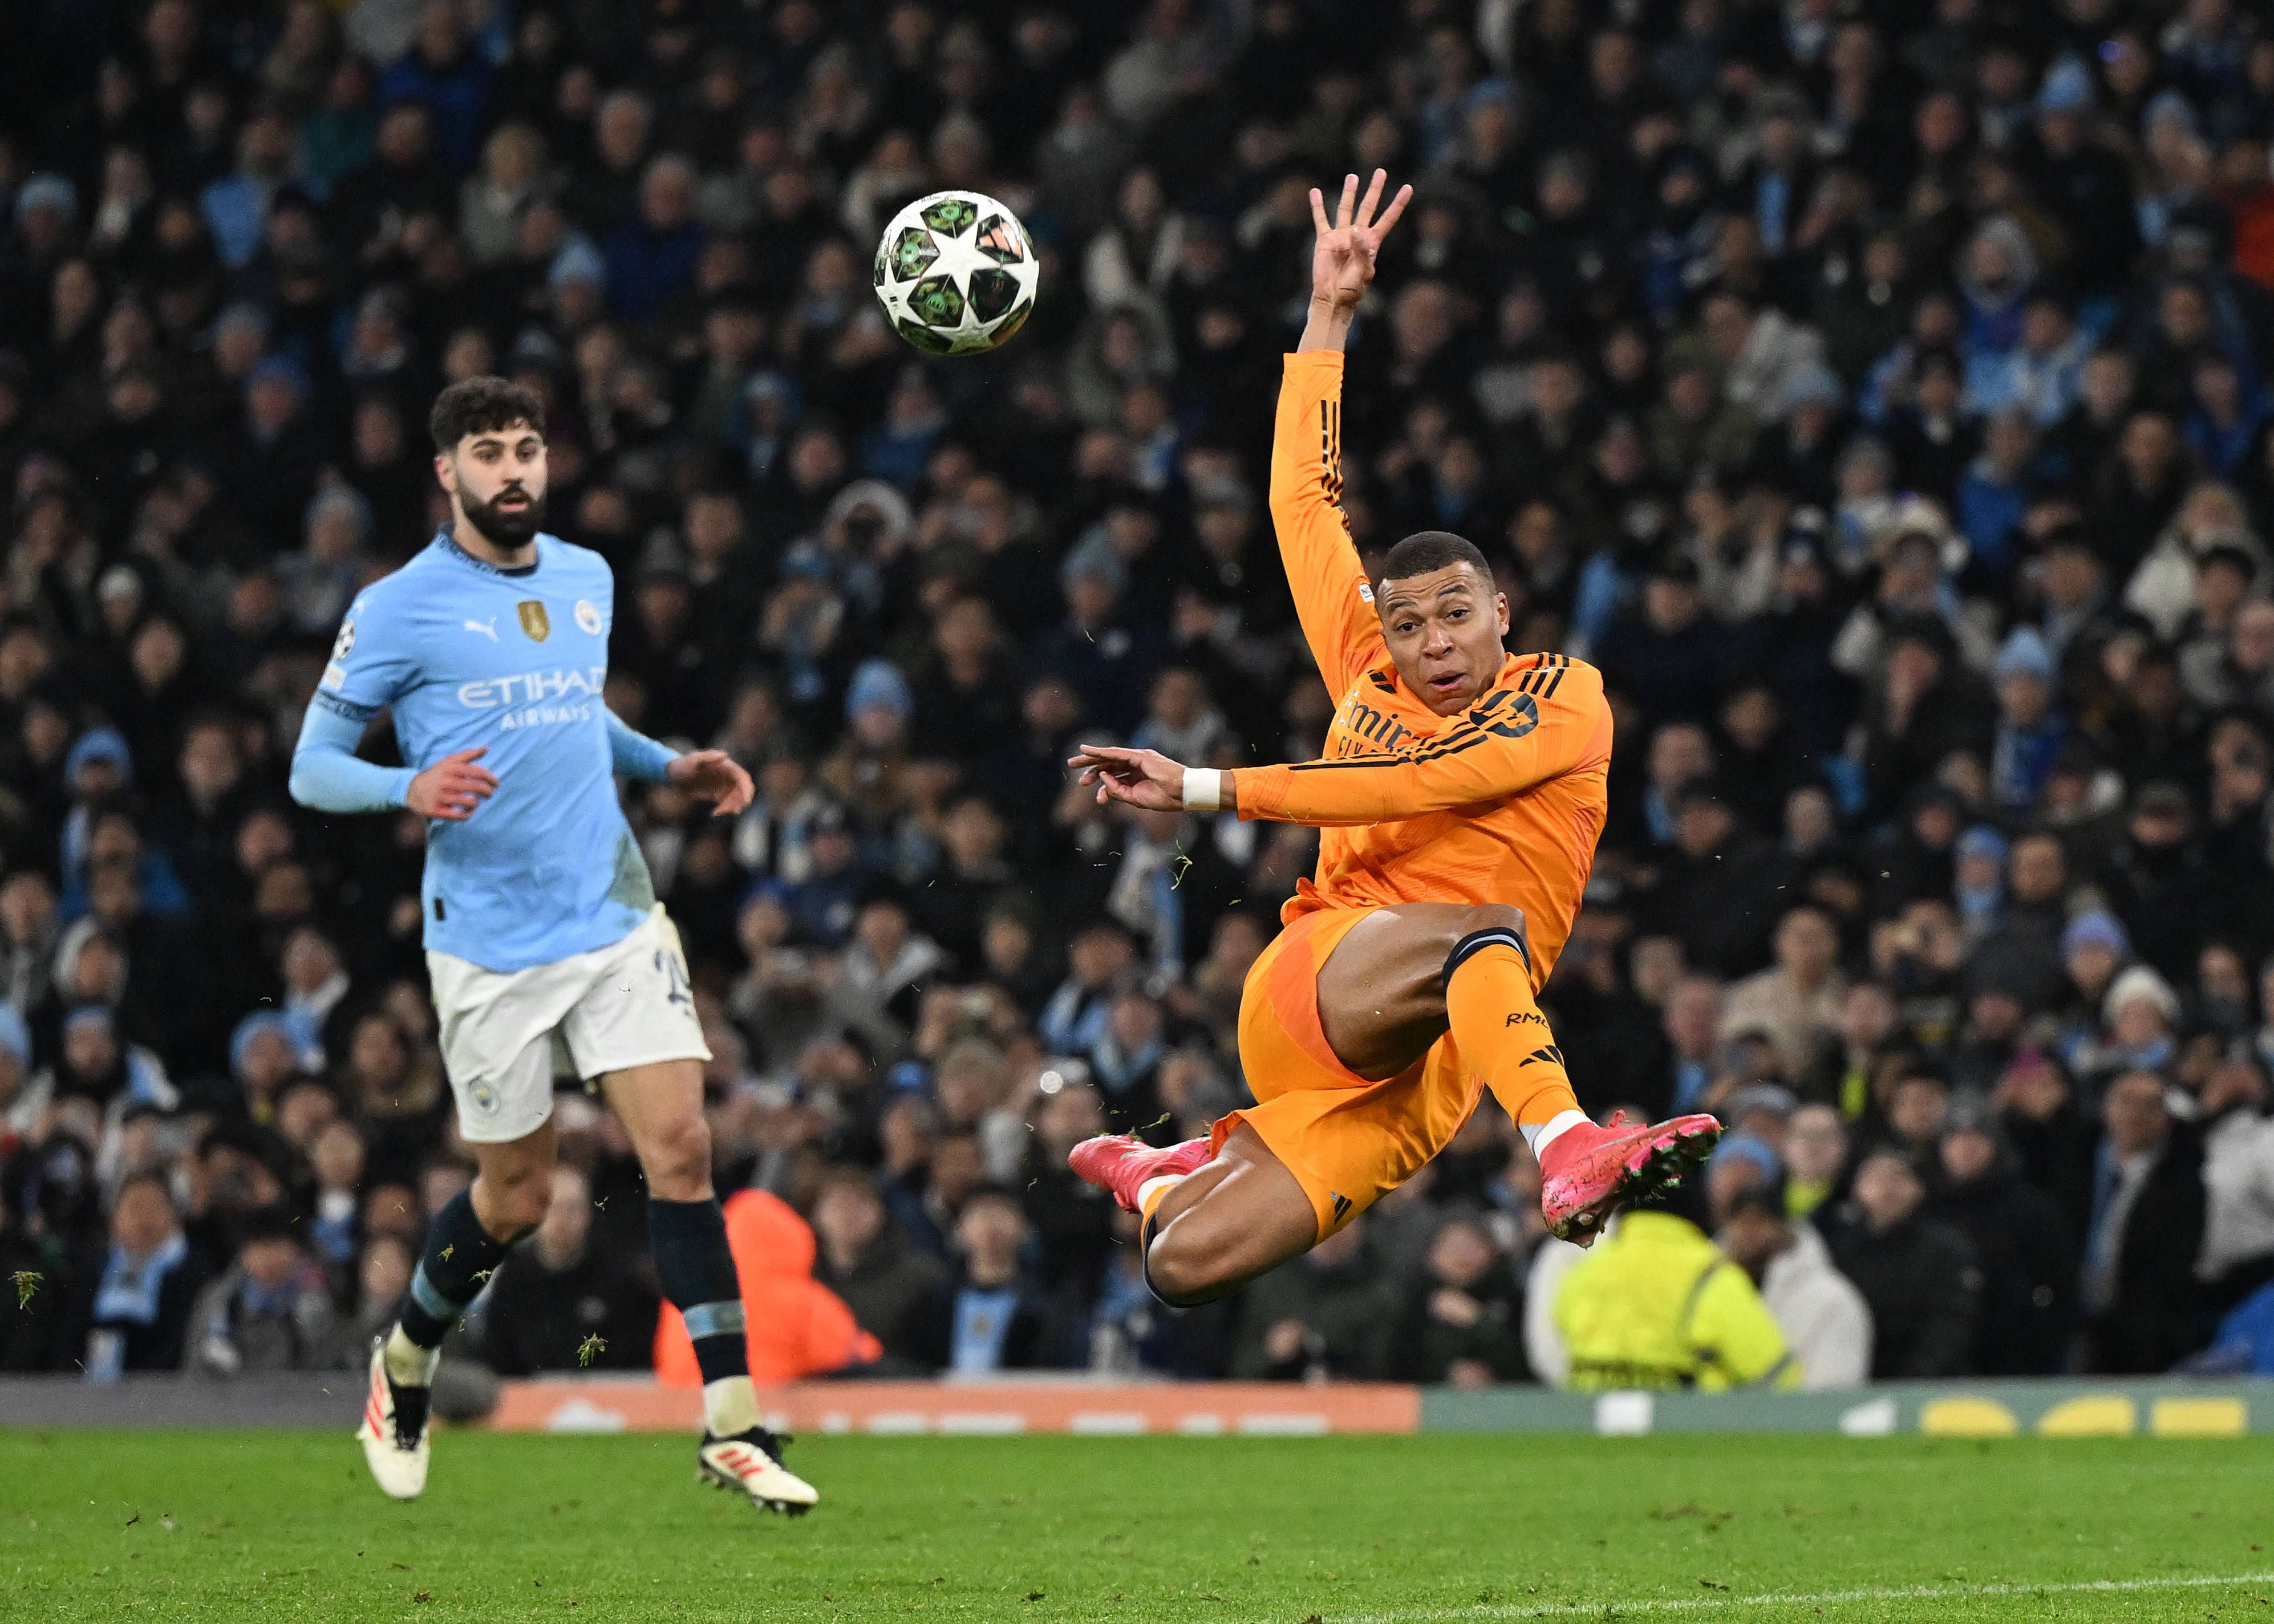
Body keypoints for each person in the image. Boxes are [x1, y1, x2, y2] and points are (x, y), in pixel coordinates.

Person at [1063, 172, 1718, 1305]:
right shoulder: (1367, 661)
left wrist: (1211, 788)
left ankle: (1165, 1175)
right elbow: (1303, 506)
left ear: (1500, 613)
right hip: (1326, 974)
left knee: (1182, 1270)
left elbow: (1425, 775)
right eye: (1406, 622)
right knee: (1481, 926)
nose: (1430, 644)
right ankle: (1564, 1144)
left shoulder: (1568, 697)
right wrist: (1328, 319)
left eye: (1455, 615)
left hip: (1430, 1066)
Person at [288, 376, 814, 1512]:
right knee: (517, 1198)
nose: (513, 468)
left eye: (527, 447)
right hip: (485, 943)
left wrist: (666, 764)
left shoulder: (586, 576)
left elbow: (573, 711)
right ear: (448, 472)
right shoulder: (395, 607)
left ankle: (731, 1422)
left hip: (613, 913)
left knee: (679, 1149)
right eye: (488, 452)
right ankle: (406, 1362)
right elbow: (309, 767)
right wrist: (405, 782)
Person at [1719, 1175, 1872, 1388]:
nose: (1748, 1231)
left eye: (1760, 1219)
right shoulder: (1709, 1289)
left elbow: (1835, 1390)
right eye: (1739, 1220)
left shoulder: (1832, 1300)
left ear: (1786, 1226)